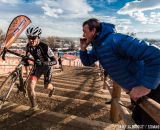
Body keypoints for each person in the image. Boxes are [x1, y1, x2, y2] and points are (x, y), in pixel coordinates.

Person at [80, 18, 160, 126]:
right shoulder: (98, 46)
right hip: (136, 91)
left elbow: (156, 54)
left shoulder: (116, 40)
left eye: (85, 31)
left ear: (93, 30)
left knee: (149, 123)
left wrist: (146, 86)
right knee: (137, 121)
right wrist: (83, 49)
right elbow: (87, 62)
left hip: (152, 87)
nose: (83, 34)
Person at [24, 26, 57, 116]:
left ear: (38, 37)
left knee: (46, 86)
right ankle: (34, 107)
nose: (31, 40)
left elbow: (55, 61)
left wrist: (45, 63)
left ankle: (53, 88)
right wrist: (25, 61)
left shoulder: (45, 47)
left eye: (33, 38)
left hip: (47, 67)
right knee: (30, 86)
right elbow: (26, 57)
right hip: (37, 67)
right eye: (29, 38)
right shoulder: (28, 46)